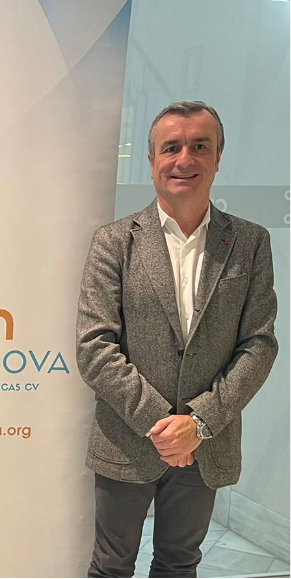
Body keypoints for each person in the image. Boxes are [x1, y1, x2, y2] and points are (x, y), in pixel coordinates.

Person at [76, 101, 278, 579]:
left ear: (218, 157)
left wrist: (199, 423)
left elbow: (259, 344)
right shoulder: (114, 241)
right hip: (127, 439)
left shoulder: (250, 242)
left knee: (180, 564)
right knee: (110, 566)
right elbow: (94, 346)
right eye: (171, 148)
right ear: (152, 162)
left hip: (206, 444)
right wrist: (164, 425)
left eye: (199, 146)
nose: (184, 159)